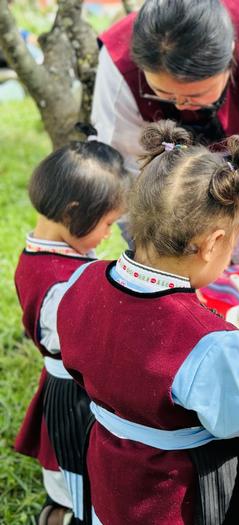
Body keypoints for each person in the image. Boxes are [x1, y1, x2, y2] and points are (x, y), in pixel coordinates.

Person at [58, 121, 239, 524]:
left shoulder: (83, 279)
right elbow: (233, 420)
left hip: (107, 459)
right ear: (211, 243)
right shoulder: (209, 340)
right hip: (170, 491)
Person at [92, 0, 239, 261]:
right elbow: (126, 169)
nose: (180, 105)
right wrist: (160, 249)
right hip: (170, 188)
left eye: (197, 95)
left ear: (231, 59)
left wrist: (233, 211)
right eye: (164, 93)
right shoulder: (120, 62)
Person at [14, 127, 128, 525]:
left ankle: (64, 508)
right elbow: (85, 347)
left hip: (66, 388)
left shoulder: (37, 254)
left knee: (73, 476)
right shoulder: (66, 285)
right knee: (81, 477)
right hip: (75, 398)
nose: (109, 234)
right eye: (108, 223)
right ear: (73, 212)